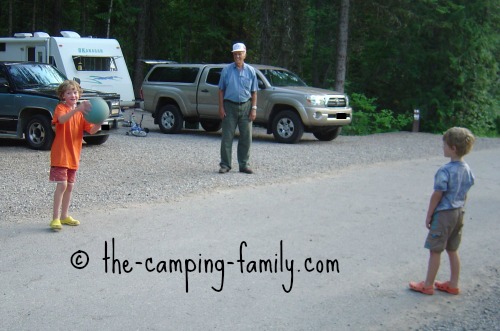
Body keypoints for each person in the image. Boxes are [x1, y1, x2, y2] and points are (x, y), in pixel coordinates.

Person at [409, 127, 475, 295]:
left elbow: (438, 194)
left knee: (435, 249)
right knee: (452, 249)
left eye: (445, 145)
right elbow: (466, 189)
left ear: (453, 148)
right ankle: (453, 283)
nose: (443, 148)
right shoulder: (467, 169)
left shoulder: (445, 171)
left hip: (445, 213)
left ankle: (428, 284)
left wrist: (430, 213)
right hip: (459, 211)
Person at [49, 80, 102, 231]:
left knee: (70, 186)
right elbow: (61, 120)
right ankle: (55, 218)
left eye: (75, 92)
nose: (73, 95)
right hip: (60, 154)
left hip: (73, 156)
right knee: (62, 184)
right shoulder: (61, 108)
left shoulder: (82, 114)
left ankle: (64, 216)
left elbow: (91, 131)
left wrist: (100, 122)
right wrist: (77, 109)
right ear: (62, 96)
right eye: (69, 92)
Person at [218, 42, 258, 174]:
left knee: (246, 137)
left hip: (246, 106)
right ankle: (225, 164)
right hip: (229, 105)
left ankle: (244, 164)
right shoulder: (226, 70)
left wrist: (254, 108)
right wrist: (221, 108)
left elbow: (254, 92)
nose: (237, 56)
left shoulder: (251, 71)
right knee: (227, 137)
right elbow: (221, 90)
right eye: (235, 54)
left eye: (240, 53)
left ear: (245, 54)